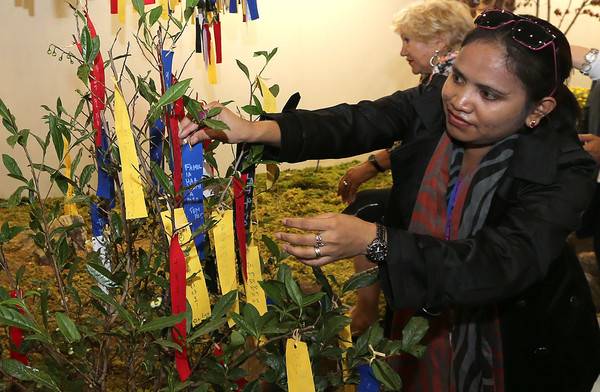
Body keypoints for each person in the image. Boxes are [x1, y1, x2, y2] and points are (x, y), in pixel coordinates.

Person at [180, 10, 600, 391]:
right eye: (457, 77)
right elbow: (357, 121)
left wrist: (375, 241)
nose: (460, 100)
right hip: (421, 327)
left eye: (489, 95)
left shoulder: (565, 168)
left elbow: (498, 263)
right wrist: (253, 130)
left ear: (538, 108)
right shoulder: (434, 107)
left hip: (518, 347)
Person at [337, 0, 474, 336]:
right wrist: (371, 165)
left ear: (439, 40)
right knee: (369, 206)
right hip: (435, 191)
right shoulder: (439, 79)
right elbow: (416, 139)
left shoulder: (448, 84)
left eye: (408, 40)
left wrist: (370, 164)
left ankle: (372, 311)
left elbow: (415, 141)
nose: (402, 51)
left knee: (368, 209)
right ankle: (372, 309)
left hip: (443, 203)